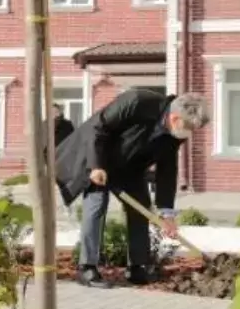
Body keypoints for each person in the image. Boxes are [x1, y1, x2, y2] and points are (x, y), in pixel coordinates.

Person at [55, 90, 208, 288]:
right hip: (98, 155)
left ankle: (137, 267)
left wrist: (166, 212)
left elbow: (167, 170)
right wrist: (96, 166)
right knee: (96, 203)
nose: (189, 135)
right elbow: (98, 127)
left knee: (140, 207)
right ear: (174, 117)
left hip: (131, 167)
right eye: (188, 128)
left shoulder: (177, 132)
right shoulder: (137, 102)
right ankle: (87, 267)